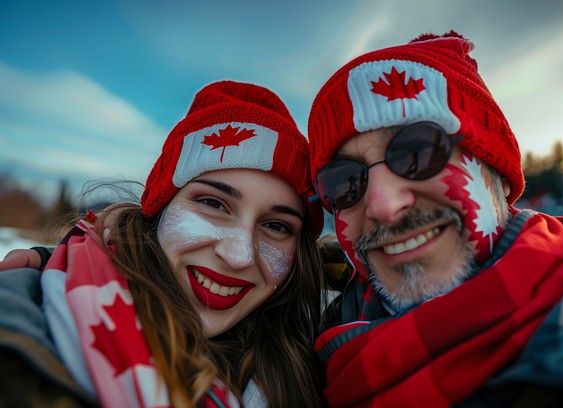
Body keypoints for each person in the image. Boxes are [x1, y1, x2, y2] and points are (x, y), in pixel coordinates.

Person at [308, 31, 563, 407]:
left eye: (418, 151)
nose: (383, 205)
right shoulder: (312, 349)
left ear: (498, 176)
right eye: (344, 180)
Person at [0, 80, 327, 407]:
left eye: (276, 226)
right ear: (158, 212)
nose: (238, 255)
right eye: (213, 204)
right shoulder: (22, 329)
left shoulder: (314, 361)